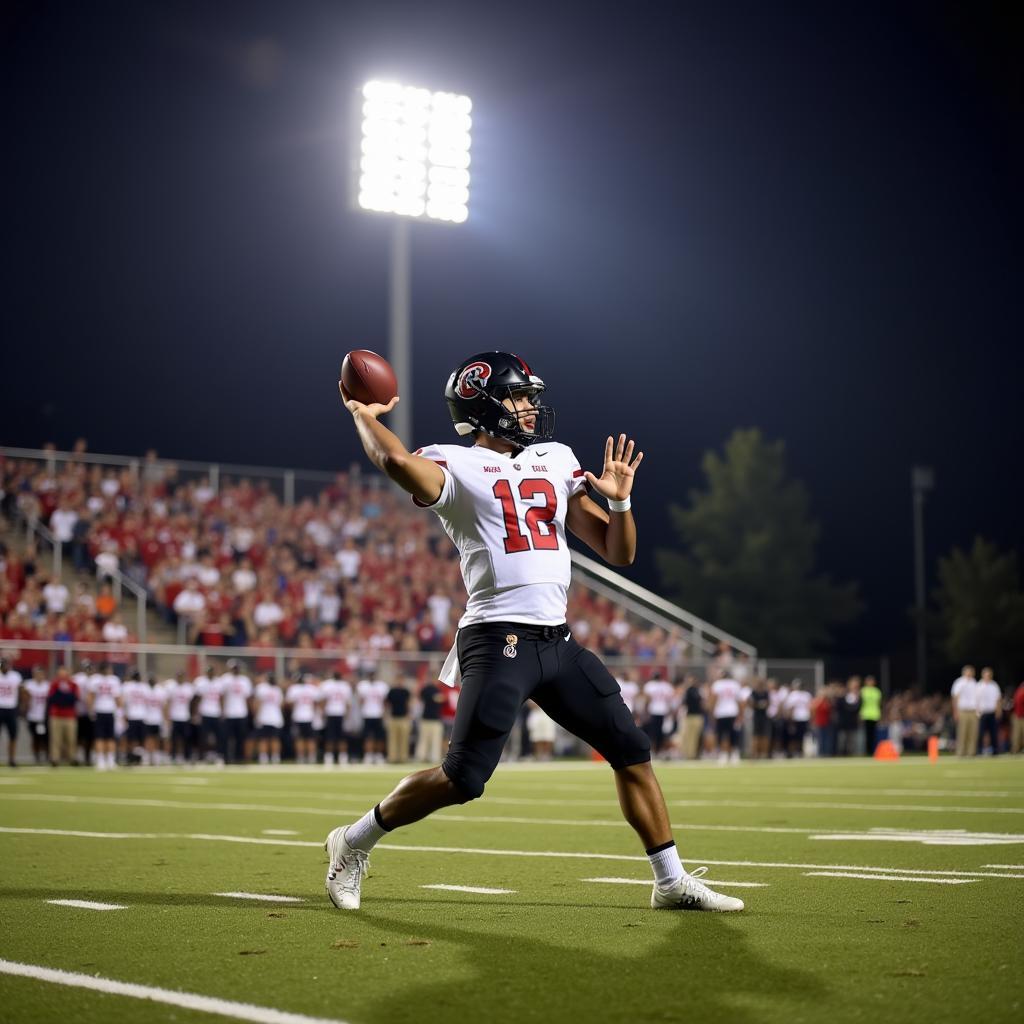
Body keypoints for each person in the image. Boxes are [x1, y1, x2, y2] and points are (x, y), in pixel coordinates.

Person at [324, 351, 742, 913]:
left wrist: (620, 502)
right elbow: (396, 462)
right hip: (498, 640)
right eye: (518, 397)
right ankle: (352, 843)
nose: (529, 407)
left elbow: (619, 552)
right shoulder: (454, 463)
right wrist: (363, 415)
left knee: (631, 750)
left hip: (557, 641)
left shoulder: (555, 459)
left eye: (529, 397)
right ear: (484, 404)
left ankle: (669, 880)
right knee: (462, 778)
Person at [88, 661, 122, 770]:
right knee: (104, 737)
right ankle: (105, 761)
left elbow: (90, 697)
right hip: (106, 710)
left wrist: (91, 710)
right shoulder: (113, 680)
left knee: (104, 737)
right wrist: (119, 711)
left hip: (102, 711)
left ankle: (105, 761)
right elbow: (118, 698)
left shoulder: (95, 679)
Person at [47, 664, 80, 766]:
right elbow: (52, 698)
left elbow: (74, 699)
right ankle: (55, 758)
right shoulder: (55, 684)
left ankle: (72, 757)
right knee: (56, 739)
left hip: (70, 715)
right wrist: (64, 697)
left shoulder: (73, 685)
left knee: (71, 739)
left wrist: (62, 697)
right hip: (56, 715)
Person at [710, 668, 743, 763]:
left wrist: (712, 713)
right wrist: (741, 714)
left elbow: (713, 699)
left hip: (720, 712)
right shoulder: (735, 684)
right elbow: (740, 701)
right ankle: (734, 754)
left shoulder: (717, 684)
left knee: (721, 734)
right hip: (733, 712)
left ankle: (723, 754)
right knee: (733, 734)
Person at [951, 665, 979, 757]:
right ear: (964, 672)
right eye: (968, 671)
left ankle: (971, 752)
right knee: (962, 732)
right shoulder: (959, 682)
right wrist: (955, 711)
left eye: (971, 671)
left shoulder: (974, 682)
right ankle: (960, 752)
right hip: (963, 710)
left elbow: (977, 698)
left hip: (973, 710)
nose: (970, 673)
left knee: (973, 732)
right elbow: (955, 698)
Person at [415, 678, 445, 763]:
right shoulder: (429, 689)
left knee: (429, 740)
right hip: (429, 718)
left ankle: (426, 757)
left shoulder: (429, 689)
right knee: (427, 739)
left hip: (433, 718)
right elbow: (440, 699)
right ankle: (425, 757)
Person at [385, 676, 413, 764]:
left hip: (403, 718)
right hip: (393, 717)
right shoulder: (392, 691)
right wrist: (387, 714)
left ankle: (403, 757)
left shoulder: (406, 691)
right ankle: (392, 757)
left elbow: (408, 703)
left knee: (404, 739)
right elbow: (387, 703)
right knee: (392, 739)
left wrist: (409, 714)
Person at [0, 659, 22, 767]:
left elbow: (21, 690)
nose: (5, 667)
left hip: (11, 708)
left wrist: (22, 706)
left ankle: (11, 759)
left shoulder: (15, 676)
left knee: (13, 735)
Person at [975, 668, 1002, 756]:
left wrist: (998, 711)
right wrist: (977, 711)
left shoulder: (994, 685)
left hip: (992, 712)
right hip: (982, 713)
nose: (987, 676)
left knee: (993, 733)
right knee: (980, 733)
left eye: (989, 675)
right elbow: (976, 700)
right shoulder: (978, 686)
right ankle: (979, 750)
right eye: (986, 675)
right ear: (983, 675)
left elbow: (998, 699)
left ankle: (995, 750)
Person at [859, 676, 882, 756]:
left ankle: (873, 751)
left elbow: (879, 704)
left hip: (875, 715)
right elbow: (860, 703)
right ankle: (867, 751)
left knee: (874, 734)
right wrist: (860, 714)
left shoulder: (877, 691)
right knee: (867, 735)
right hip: (866, 715)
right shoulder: (863, 691)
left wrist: (880, 714)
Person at [1011, 679, 1024, 756]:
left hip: (1018, 715)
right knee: (1017, 734)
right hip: (1019, 715)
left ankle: (1015, 749)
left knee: (1017, 734)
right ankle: (1015, 749)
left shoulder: (1019, 691)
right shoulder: (1020, 692)